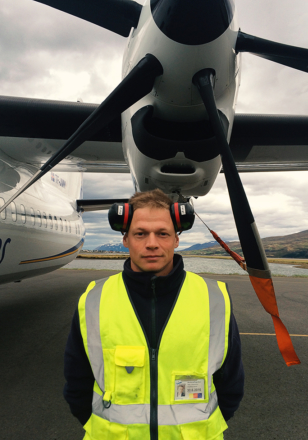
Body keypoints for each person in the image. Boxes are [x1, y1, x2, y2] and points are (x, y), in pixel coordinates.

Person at [63, 189, 244, 440]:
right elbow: (77, 382)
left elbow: (231, 380)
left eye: (162, 233)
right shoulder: (94, 299)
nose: (151, 243)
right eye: (140, 234)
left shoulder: (214, 298)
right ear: (125, 239)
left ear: (176, 239)